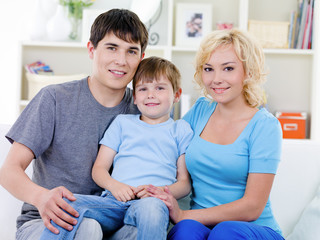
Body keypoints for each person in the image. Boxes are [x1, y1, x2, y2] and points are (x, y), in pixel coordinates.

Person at [0, 9, 149, 240]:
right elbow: (9, 171)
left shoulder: (144, 111)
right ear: (92, 49)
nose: (121, 60)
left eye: (131, 51)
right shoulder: (54, 99)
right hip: (47, 222)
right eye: (112, 48)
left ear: (141, 57)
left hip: (113, 222)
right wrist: (42, 198)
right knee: (87, 228)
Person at [148, 29, 285, 240]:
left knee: (224, 231)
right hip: (201, 227)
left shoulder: (265, 126)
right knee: (184, 231)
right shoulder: (200, 110)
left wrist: (185, 214)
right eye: (209, 69)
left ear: (248, 72)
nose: (216, 79)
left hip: (253, 229)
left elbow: (252, 207)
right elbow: (165, 144)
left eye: (228, 68)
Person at [40, 56, 193, 240]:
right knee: (64, 203)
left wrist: (159, 192)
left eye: (160, 88)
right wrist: (115, 186)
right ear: (135, 97)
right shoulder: (122, 123)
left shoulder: (180, 129)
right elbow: (99, 169)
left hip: (151, 203)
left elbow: (184, 183)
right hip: (113, 202)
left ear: (176, 94)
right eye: (143, 89)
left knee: (152, 209)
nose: (151, 94)